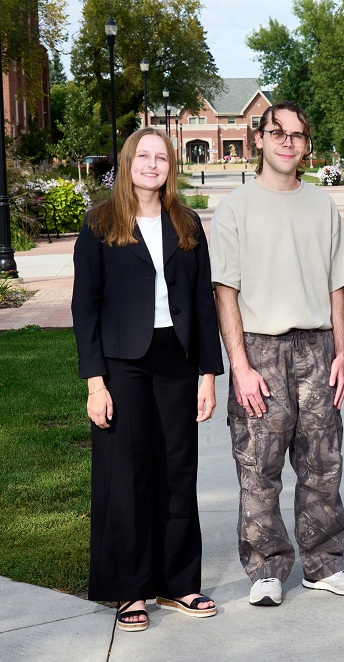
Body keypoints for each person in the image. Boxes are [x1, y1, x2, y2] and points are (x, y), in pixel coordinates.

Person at [210, 102, 344, 606]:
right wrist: (239, 365)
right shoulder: (236, 207)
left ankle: (324, 564)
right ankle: (266, 569)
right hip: (260, 350)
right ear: (259, 138)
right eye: (277, 132)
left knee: (323, 463)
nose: (287, 142)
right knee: (259, 464)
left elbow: (337, 285)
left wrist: (342, 352)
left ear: (306, 145)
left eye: (297, 135)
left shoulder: (321, 205)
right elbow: (224, 291)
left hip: (317, 347)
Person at [72, 128, 223, 632]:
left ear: (170, 166)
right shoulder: (101, 222)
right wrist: (96, 382)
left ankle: (179, 583)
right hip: (122, 363)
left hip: (176, 359)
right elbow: (84, 308)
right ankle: (130, 590)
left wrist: (207, 373)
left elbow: (203, 303)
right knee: (127, 475)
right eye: (144, 156)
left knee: (178, 470)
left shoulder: (187, 221)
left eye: (161, 157)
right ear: (128, 161)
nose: (152, 164)